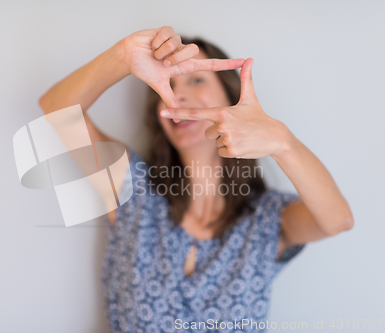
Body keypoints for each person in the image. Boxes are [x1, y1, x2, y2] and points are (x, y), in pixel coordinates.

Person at [38, 26, 353, 333]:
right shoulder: (133, 187)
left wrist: (284, 142)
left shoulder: (267, 218)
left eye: (196, 79)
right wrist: (123, 56)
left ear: (231, 97)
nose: (180, 96)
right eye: (169, 86)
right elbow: (56, 108)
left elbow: (337, 220)